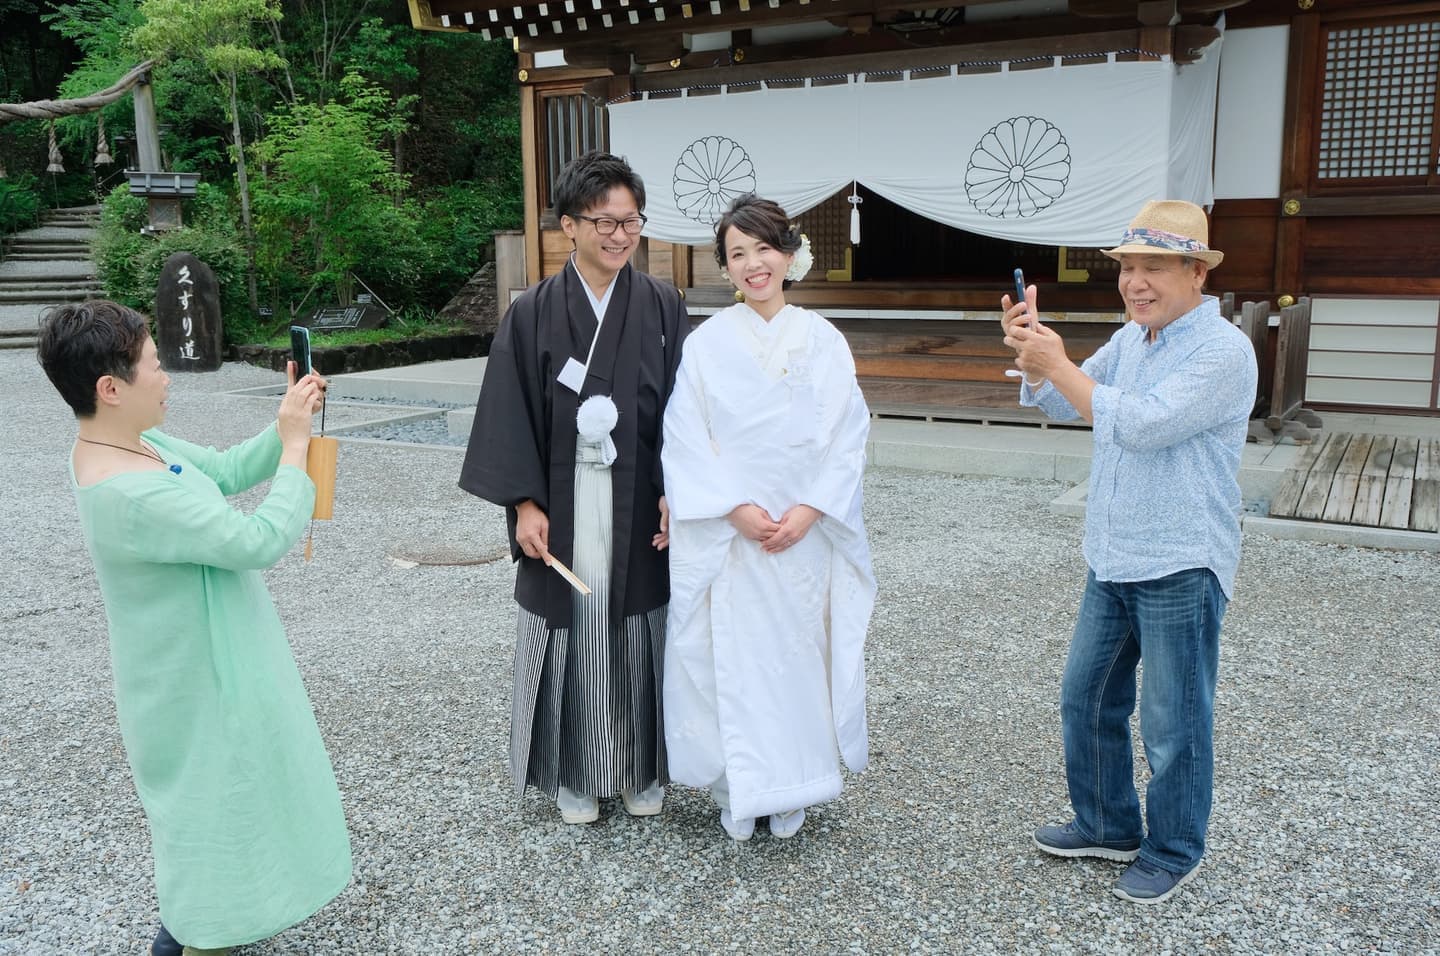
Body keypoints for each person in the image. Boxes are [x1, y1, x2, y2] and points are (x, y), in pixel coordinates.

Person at [36, 301, 352, 955]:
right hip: (192, 686)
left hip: (202, 668)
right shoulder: (127, 490)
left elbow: (229, 469)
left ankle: (215, 923)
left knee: (227, 813)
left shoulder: (128, 443)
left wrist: (286, 422)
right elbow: (257, 538)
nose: (167, 375)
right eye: (155, 364)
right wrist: (296, 446)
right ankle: (200, 934)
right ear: (111, 387)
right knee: (210, 822)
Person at [1001, 200, 1258, 904]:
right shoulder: (1132, 340)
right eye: (1129, 268)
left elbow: (1139, 425)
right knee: (1085, 697)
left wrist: (1058, 362)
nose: (1135, 282)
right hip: (1113, 553)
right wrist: (1034, 358)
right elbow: (1067, 403)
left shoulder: (1222, 350)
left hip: (1181, 558)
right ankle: (1108, 824)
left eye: (1154, 267)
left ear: (1197, 272)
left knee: (1174, 720)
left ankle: (1175, 848)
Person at [459, 151, 689, 824]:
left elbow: (686, 409)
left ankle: (642, 768)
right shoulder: (532, 311)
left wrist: (679, 487)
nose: (620, 236)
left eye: (631, 222)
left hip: (639, 497)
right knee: (573, 634)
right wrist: (523, 503)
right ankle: (574, 774)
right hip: (563, 503)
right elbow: (510, 411)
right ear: (569, 226)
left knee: (640, 628)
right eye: (604, 223)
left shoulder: (662, 304)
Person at [661, 195, 875, 842]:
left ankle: (796, 785)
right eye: (738, 254)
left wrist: (810, 510)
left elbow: (849, 433)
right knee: (734, 655)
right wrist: (734, 508)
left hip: (801, 533)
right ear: (726, 268)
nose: (754, 265)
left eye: (764, 249)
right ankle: (740, 787)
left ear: (788, 253)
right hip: (734, 531)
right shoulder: (707, 344)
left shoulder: (823, 339)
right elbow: (685, 435)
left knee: (797, 656)